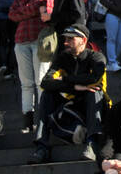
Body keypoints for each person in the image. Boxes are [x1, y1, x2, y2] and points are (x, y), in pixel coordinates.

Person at [29, 23, 107, 164]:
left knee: (94, 93)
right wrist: (75, 87)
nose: (66, 42)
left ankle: (92, 143)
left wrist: (65, 79)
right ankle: (42, 146)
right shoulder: (63, 58)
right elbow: (45, 82)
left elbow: (95, 79)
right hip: (71, 103)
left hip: (95, 106)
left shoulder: (97, 57)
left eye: (71, 39)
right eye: (65, 39)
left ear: (83, 40)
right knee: (47, 94)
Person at [9, 0, 55, 132]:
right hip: (21, 39)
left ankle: (43, 119)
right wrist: (31, 10)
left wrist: (24, 11)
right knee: (26, 83)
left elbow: (44, 7)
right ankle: (27, 121)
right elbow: (11, 14)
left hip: (39, 39)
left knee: (41, 81)